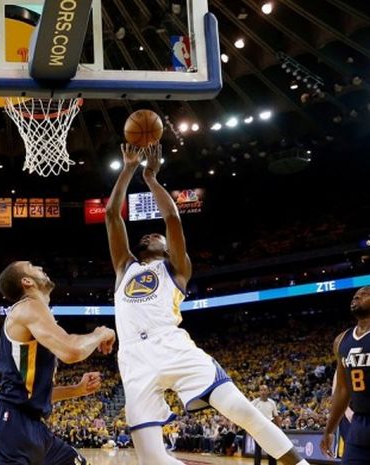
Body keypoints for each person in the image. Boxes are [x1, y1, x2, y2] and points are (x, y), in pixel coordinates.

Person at [105, 143, 309, 465]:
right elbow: (111, 215)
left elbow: (172, 216)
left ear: (169, 247)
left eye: (156, 236)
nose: (149, 236)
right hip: (133, 358)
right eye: (145, 236)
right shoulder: (124, 268)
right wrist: (127, 168)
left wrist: (150, 178)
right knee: (152, 461)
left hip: (172, 345)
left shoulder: (177, 268)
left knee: (243, 411)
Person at [0, 260, 116, 465]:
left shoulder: (38, 317)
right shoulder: (28, 307)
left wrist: (77, 389)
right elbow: (72, 350)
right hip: (9, 424)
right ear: (27, 281)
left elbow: (33, 394)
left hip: (34, 427)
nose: (41, 268)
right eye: (32, 266)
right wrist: (100, 333)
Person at [321, 286, 370, 464]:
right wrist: (329, 429)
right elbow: (342, 390)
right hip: (360, 423)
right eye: (355, 296)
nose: (356, 297)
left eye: (365, 294)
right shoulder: (342, 340)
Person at [252, 385, 280, 465]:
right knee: (258, 450)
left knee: (271, 450)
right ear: (259, 392)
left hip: (269, 428)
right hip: (258, 428)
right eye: (261, 390)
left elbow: (276, 416)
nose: (263, 392)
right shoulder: (254, 402)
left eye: (265, 390)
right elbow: (249, 415)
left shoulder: (272, 403)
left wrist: (279, 429)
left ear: (268, 391)